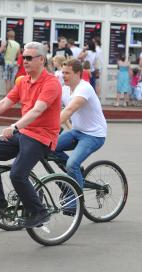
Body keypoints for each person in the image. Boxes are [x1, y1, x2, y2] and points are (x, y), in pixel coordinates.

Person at [0, 42, 62, 228]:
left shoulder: (51, 83)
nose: (24, 61)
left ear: (41, 60)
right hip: (24, 133)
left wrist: (15, 126)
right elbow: (4, 103)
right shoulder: (22, 81)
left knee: (18, 174)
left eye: (29, 58)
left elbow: (37, 110)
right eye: (23, 57)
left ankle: (40, 212)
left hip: (41, 137)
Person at [54, 59, 107, 191]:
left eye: (67, 73)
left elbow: (69, 110)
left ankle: (75, 202)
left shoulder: (85, 88)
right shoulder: (64, 89)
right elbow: (53, 109)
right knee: (49, 147)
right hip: (77, 132)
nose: (63, 76)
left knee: (72, 164)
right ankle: (74, 173)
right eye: (62, 73)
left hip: (94, 135)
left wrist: (51, 126)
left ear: (78, 74)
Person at [0, 29, 21, 94]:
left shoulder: (5, 42)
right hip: (12, 64)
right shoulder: (17, 44)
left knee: (7, 82)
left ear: (7, 36)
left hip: (6, 64)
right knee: (11, 82)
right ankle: (11, 97)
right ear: (14, 36)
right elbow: (18, 55)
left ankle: (7, 98)